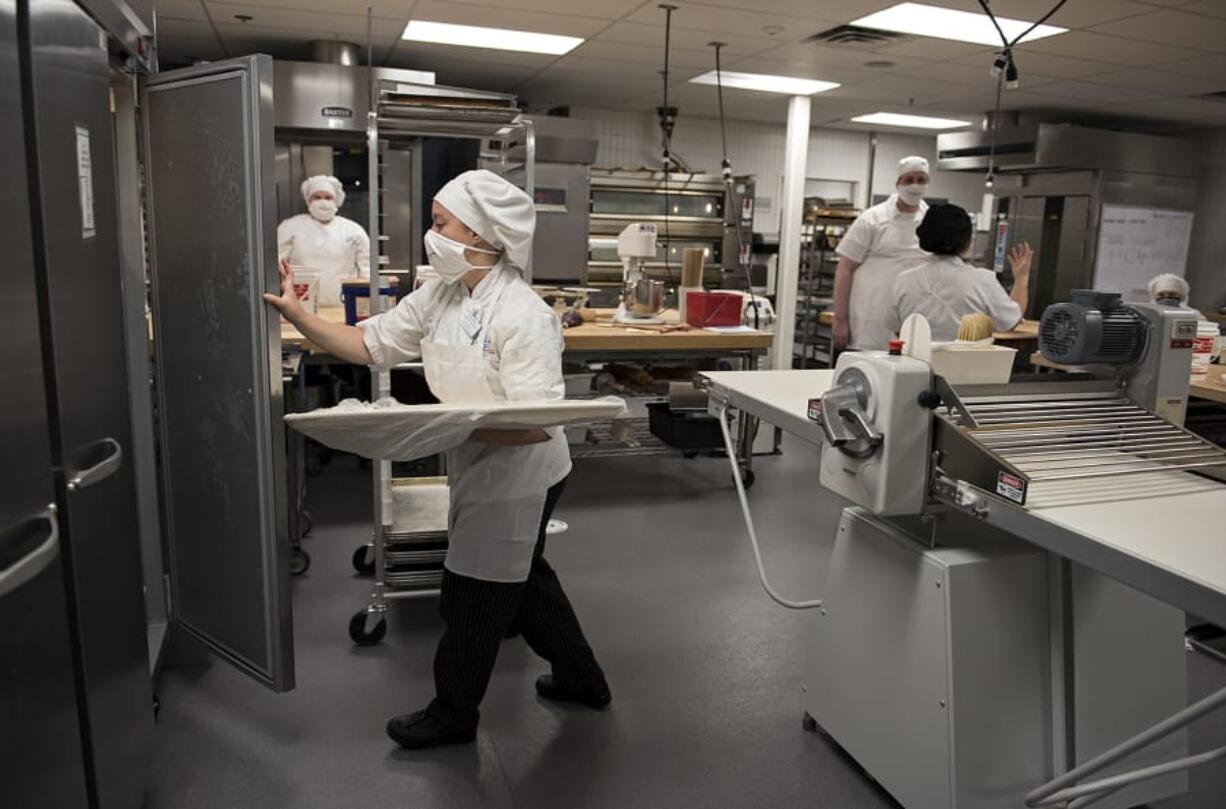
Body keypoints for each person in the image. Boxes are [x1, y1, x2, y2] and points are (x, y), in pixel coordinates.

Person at [265, 170, 609, 750]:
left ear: (481, 234)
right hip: (480, 458)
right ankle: (582, 678)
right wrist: (297, 315)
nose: (431, 234)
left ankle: (454, 713)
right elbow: (369, 343)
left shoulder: (524, 315)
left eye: (439, 223)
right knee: (526, 583)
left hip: (524, 472)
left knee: (472, 594)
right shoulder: (443, 293)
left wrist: (429, 430)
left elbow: (534, 423)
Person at [887, 203, 1032, 342]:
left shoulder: (905, 279)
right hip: (968, 366)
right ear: (968, 241)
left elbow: (897, 328)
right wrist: (1021, 278)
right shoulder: (982, 280)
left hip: (914, 365)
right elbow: (1011, 321)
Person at [832, 156, 931, 351]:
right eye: (909, 180)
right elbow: (844, 269)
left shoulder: (931, 220)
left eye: (921, 180)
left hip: (912, 324)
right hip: (870, 324)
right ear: (898, 184)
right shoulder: (872, 219)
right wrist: (840, 319)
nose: (915, 186)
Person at [277, 175, 371, 307]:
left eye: (328, 197)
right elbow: (277, 265)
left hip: (344, 306)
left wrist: (363, 305)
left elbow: (366, 272)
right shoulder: (290, 227)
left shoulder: (354, 230)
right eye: (317, 197)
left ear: (336, 200)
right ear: (308, 201)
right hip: (300, 307)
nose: (322, 202)